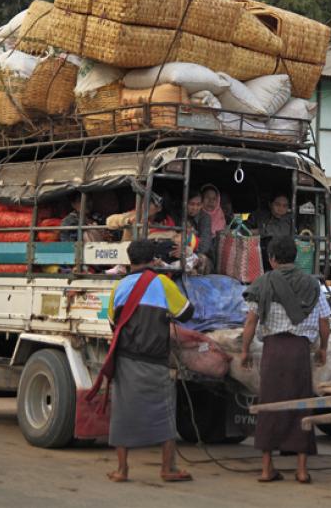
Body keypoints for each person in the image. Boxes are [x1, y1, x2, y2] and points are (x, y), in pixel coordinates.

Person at [241, 236, 330, 484]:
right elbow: (324, 321)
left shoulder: (263, 283)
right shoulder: (312, 284)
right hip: (300, 351)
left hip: (273, 351)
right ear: (295, 257)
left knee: (269, 405)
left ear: (271, 259)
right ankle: (301, 471)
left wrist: (245, 350)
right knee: (301, 404)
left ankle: (267, 469)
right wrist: (323, 348)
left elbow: (251, 321)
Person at [106, 239, 194, 483]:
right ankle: (168, 469)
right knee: (164, 414)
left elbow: (113, 324)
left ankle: (122, 470)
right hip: (155, 360)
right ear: (154, 259)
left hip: (126, 360)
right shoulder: (162, 284)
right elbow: (187, 313)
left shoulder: (120, 287)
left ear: (129, 261)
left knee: (122, 414)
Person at [184, 190, 213, 272]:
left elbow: (204, 246)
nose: (195, 208)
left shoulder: (205, 218)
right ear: (185, 203)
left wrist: (189, 251)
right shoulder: (180, 217)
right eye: (192, 204)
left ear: (202, 205)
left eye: (198, 205)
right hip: (181, 252)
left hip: (199, 253)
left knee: (201, 261)